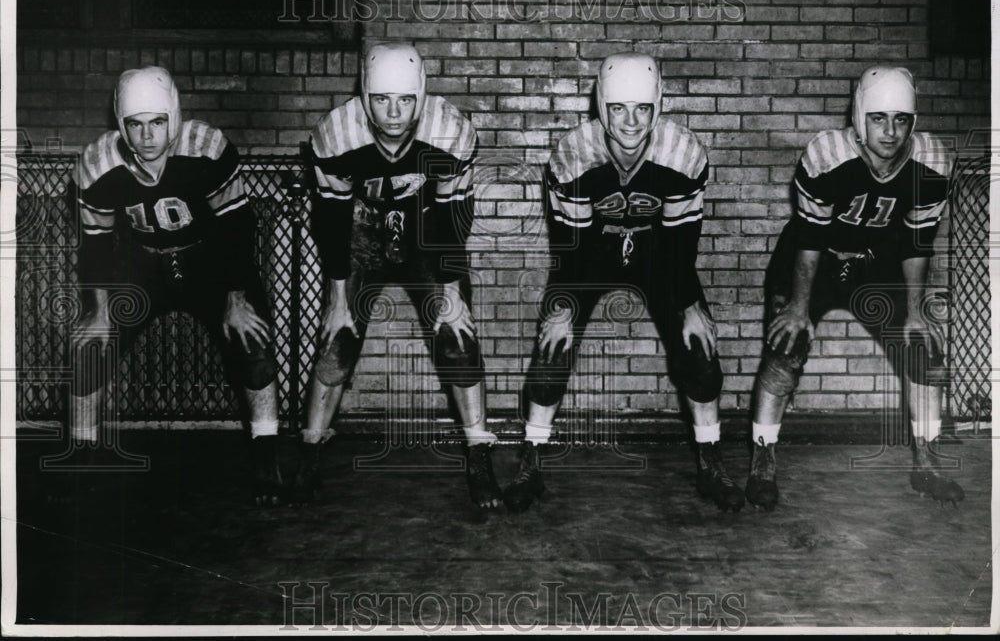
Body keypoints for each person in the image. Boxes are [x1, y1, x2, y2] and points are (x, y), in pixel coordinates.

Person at [504, 52, 744, 514]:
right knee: (551, 350)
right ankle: (529, 462)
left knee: (700, 351)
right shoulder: (573, 154)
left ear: (659, 106)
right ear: (602, 107)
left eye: (642, 109)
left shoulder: (683, 154)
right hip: (589, 256)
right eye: (618, 108)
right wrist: (565, 311)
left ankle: (711, 461)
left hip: (659, 257)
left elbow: (680, 248)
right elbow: (570, 251)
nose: (631, 121)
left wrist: (690, 305)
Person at [296, 42, 501, 514]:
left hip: (428, 230)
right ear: (364, 96)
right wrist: (337, 294)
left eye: (405, 100)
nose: (393, 112)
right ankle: (309, 451)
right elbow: (330, 219)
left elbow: (455, 217)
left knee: (457, 336)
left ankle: (479, 454)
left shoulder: (449, 131)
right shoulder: (335, 134)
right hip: (362, 230)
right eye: (382, 99)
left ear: (421, 97)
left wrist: (450, 289)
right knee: (337, 339)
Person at [746, 65, 961, 510]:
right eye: (878, 118)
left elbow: (919, 242)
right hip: (813, 262)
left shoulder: (932, 162)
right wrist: (800, 308)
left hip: (875, 264)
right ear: (860, 117)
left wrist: (916, 312)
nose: (890, 131)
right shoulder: (827, 153)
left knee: (923, 352)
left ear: (913, 122)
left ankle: (926, 463)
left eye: (901, 119)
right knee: (786, 349)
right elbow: (809, 238)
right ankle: (762, 459)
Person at [68, 66, 283, 505]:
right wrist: (99, 310)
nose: (147, 136)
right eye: (135, 124)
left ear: (175, 117)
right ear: (121, 124)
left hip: (210, 260)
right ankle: (82, 457)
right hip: (142, 265)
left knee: (252, 341)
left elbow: (238, 228)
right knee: (89, 348)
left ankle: (268, 453)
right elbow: (95, 247)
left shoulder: (206, 149)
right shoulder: (98, 166)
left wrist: (236, 298)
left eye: (157, 122)